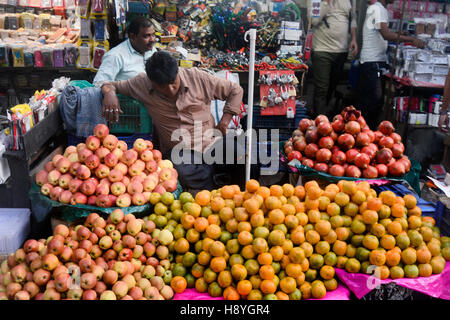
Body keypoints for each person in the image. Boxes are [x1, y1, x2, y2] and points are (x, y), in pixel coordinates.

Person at [100, 51, 247, 191]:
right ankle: (215, 185)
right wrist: (110, 94)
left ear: (177, 71)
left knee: (239, 153)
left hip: (210, 142)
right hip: (181, 151)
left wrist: (224, 121)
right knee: (181, 170)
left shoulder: (197, 78)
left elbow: (235, 90)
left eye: (173, 83)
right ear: (152, 82)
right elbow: (108, 84)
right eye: (163, 87)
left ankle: (234, 191)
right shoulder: (141, 84)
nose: (170, 90)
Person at [358, 0, 425, 129]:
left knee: (374, 104)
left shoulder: (381, 10)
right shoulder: (376, 9)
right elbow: (386, 34)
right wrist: (411, 40)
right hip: (371, 63)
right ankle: (364, 135)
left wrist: (400, 35)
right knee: (372, 104)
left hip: (375, 62)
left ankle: (367, 135)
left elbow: (382, 31)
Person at [309, 0, 358, 117]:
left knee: (332, 86)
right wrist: (326, 3)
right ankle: (320, 122)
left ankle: (319, 113)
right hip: (322, 50)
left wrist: (354, 39)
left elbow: (353, 20)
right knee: (322, 88)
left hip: (341, 51)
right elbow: (314, 21)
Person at [93, 17, 157, 85]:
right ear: (132, 37)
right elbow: (98, 84)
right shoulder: (115, 56)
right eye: (146, 36)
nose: (152, 39)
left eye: (153, 35)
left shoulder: (151, 50)